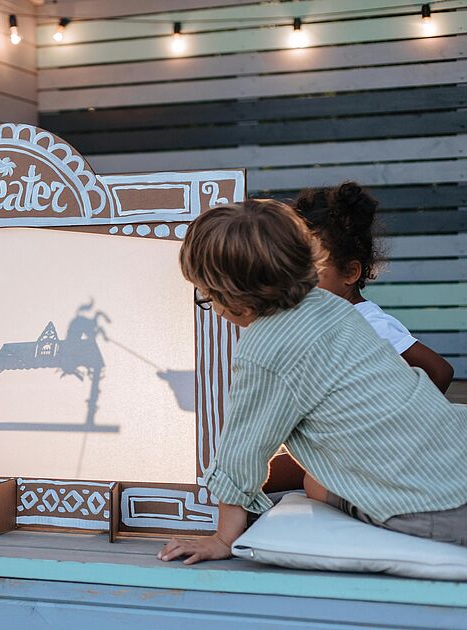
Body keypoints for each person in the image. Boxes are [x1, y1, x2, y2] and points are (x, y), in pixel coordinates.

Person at [158, 199, 467, 564]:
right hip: (452, 449)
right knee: (317, 481)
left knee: (318, 484)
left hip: (426, 502)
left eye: (207, 297)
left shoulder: (264, 349)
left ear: (234, 298)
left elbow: (242, 452)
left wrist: (224, 538)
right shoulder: (333, 306)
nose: (213, 307)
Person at [295, 181, 453, 392]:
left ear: (350, 272)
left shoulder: (370, 323)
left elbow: (440, 371)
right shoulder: (325, 317)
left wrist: (404, 410)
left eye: (312, 268)